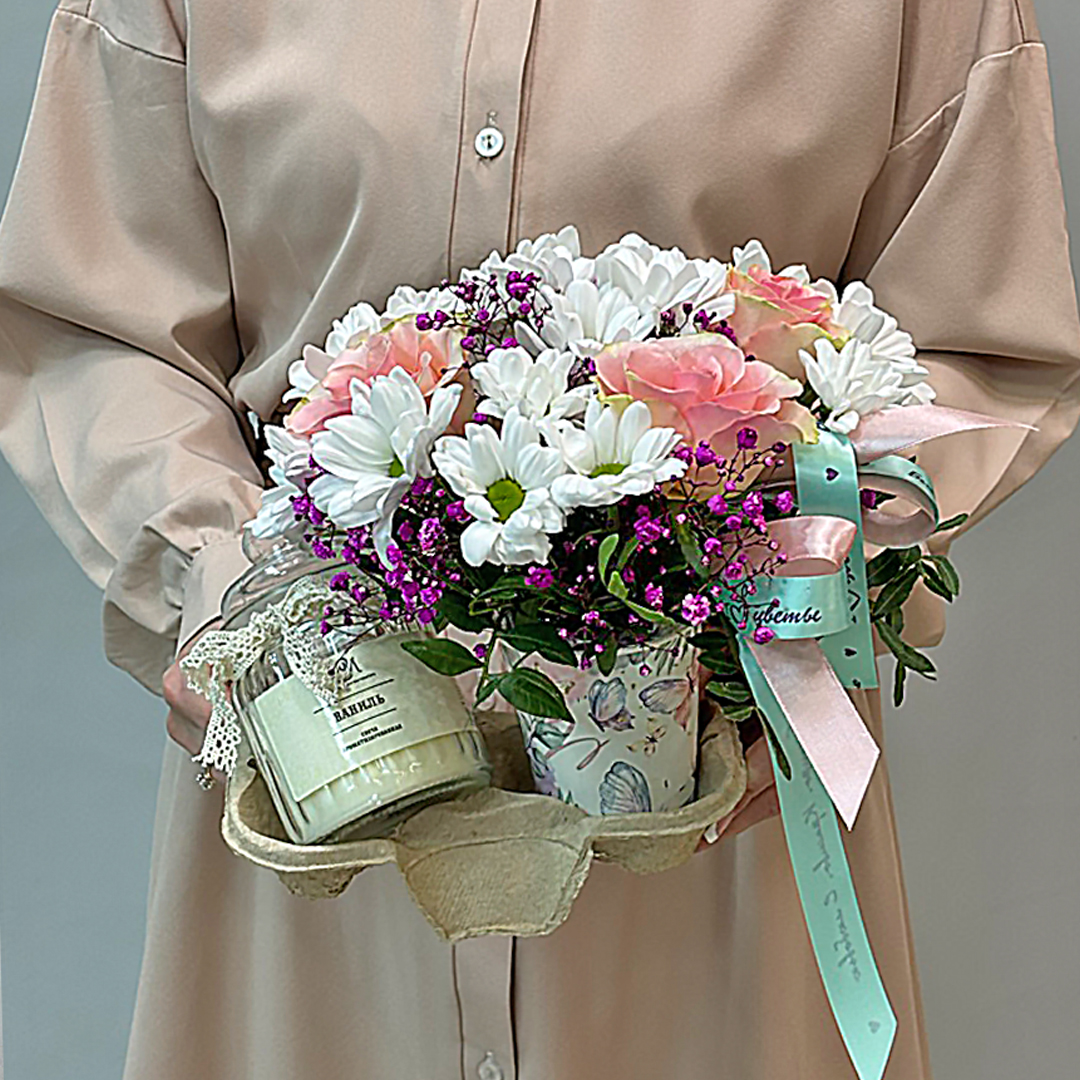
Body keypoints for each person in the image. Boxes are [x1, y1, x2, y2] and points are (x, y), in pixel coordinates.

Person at [1, 1, 1078, 1077]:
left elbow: (975, 344)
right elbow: (95, 324)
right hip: (328, 766)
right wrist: (230, 582)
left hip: (706, 783)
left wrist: (801, 595)